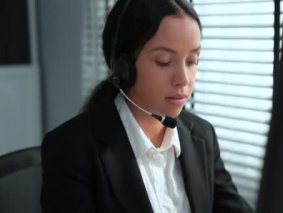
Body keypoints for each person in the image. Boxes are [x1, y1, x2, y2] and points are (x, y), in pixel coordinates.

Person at [40, 0, 253, 212]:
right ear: (123, 68)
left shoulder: (202, 136)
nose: (183, 79)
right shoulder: (70, 149)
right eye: (164, 61)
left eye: (192, 61)